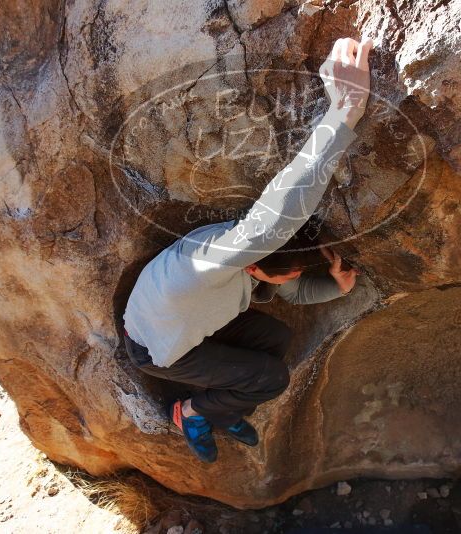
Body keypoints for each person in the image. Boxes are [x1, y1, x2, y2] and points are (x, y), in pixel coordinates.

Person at [123, 37, 373, 462]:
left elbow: (290, 281)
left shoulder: (248, 259)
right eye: (287, 273)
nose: (293, 280)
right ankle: (193, 412)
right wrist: (345, 110)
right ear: (255, 267)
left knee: (275, 336)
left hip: (193, 321)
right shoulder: (209, 262)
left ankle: (224, 403)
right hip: (156, 346)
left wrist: (338, 288)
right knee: (271, 379)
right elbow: (279, 216)